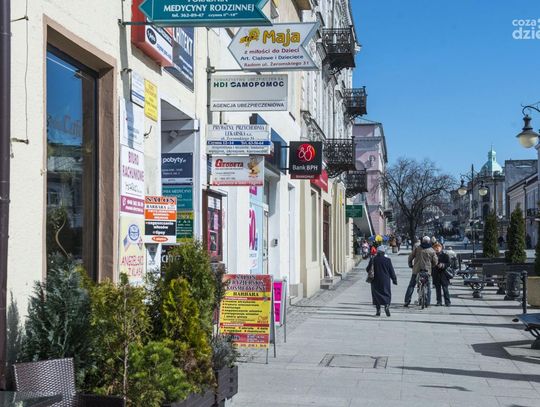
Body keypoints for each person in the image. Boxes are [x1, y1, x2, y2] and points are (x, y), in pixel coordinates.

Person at [405, 236, 438, 307]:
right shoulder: (432, 250)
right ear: (429, 242)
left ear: (422, 241)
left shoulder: (418, 248)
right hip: (427, 271)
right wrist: (432, 266)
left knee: (411, 285)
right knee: (428, 286)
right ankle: (427, 303)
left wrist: (410, 264)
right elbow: (435, 261)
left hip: (416, 270)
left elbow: (410, 257)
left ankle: (407, 301)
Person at [366, 245, 397, 316]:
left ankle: (378, 310)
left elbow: (368, 269)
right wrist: (394, 279)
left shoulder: (373, 259)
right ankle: (386, 306)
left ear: (377, 252)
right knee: (386, 293)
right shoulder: (388, 260)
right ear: (384, 252)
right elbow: (391, 271)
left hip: (375, 280)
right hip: (385, 280)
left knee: (376, 295)